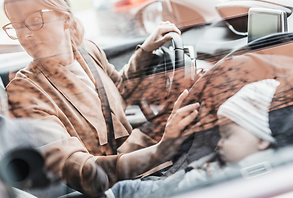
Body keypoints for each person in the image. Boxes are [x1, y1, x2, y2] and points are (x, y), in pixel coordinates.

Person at [3, 0, 200, 196]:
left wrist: (145, 51)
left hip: (143, 162)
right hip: (117, 188)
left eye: (34, 20)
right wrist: (161, 149)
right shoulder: (24, 92)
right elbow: (83, 171)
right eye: (17, 26)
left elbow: (117, 91)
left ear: (65, 19)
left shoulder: (87, 51)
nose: (24, 34)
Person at [106, 79, 279, 198]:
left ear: (262, 140)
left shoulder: (255, 179)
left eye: (228, 135)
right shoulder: (226, 165)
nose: (219, 143)